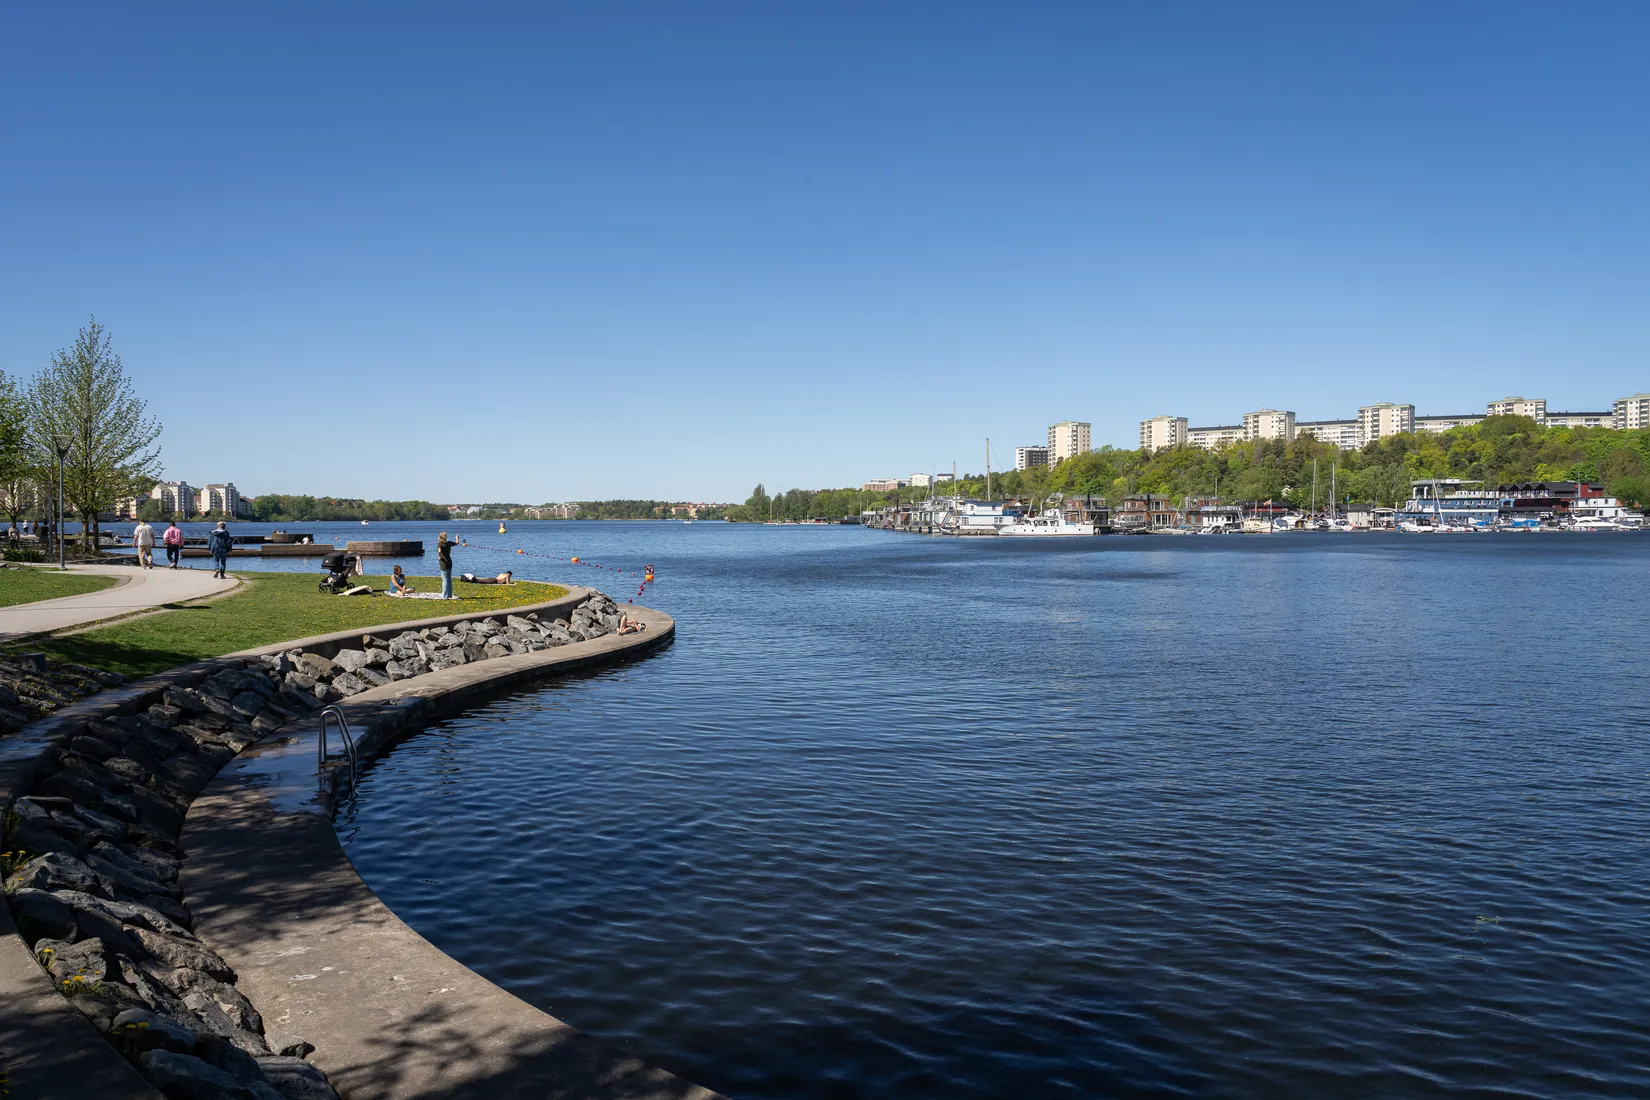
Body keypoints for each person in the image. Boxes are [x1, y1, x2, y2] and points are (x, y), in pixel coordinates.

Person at [437, 532, 454, 599]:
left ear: (440, 537)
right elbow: (457, 543)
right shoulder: (449, 543)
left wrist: (440, 557)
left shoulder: (440, 544)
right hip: (449, 562)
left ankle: (444, 596)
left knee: (445, 580)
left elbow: (439, 551)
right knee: (449, 579)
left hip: (444, 563)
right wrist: (457, 538)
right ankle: (449, 594)